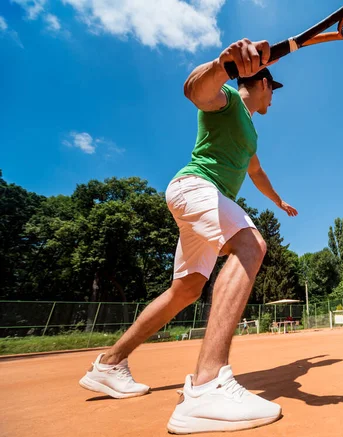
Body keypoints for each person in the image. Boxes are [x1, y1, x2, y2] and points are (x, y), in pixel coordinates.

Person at [78, 38, 298, 434]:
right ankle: (207, 386)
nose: (272, 100)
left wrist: (279, 201)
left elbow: (256, 172)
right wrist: (224, 65)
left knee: (187, 289)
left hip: (204, 203)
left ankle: (109, 364)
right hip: (196, 189)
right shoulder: (227, 99)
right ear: (263, 83)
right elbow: (196, 90)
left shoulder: (250, 132)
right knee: (251, 245)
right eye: (272, 91)